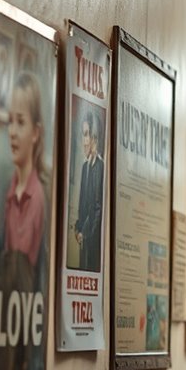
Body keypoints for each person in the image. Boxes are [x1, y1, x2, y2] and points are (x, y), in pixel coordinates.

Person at [3, 72, 46, 268]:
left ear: (35, 133)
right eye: (10, 121)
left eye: (20, 122)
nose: (12, 132)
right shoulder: (9, 191)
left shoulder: (37, 197)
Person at [75, 109, 103, 272]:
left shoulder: (100, 167)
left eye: (86, 134)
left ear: (94, 137)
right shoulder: (85, 167)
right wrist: (78, 229)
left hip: (92, 243)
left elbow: (97, 209)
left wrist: (86, 234)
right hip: (83, 239)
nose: (84, 141)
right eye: (83, 134)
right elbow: (82, 204)